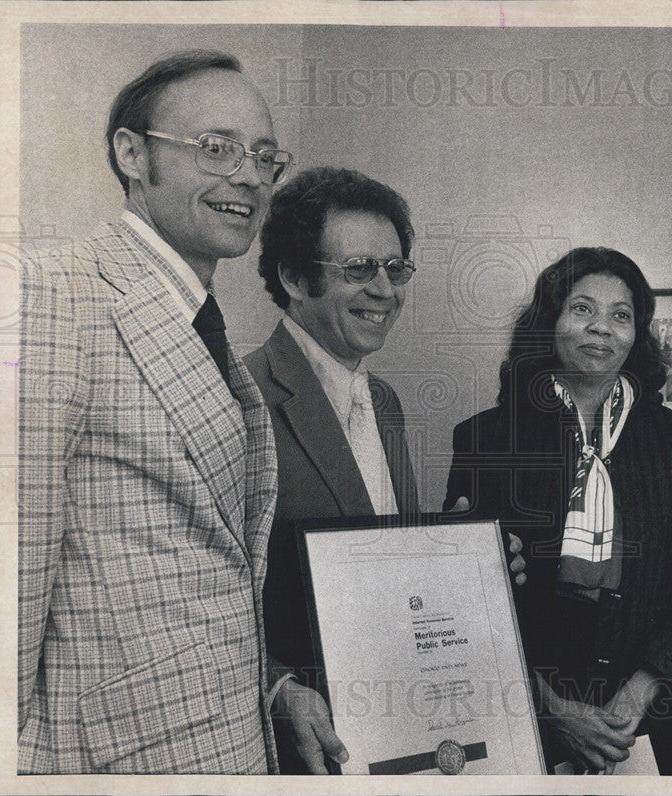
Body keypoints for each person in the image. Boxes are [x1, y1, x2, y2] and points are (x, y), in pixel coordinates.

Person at [17, 50, 335, 773]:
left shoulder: (200, 322)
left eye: (264, 156)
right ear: (132, 153)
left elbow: (210, 579)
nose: (249, 177)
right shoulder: (51, 295)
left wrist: (274, 686)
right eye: (216, 149)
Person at [245, 165, 525, 773]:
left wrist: (459, 561)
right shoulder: (239, 397)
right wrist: (277, 689)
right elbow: (200, 599)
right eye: (358, 269)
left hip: (398, 732)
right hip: (303, 752)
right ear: (293, 276)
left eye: (395, 269)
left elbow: (386, 578)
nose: (385, 290)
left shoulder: (386, 403)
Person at [445, 247, 672, 774]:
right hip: (522, 722)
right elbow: (466, 605)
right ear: (549, 322)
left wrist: (639, 693)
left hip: (650, 726)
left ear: (636, 335)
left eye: (621, 316)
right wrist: (553, 710)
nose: (602, 328)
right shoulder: (485, 439)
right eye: (582, 309)